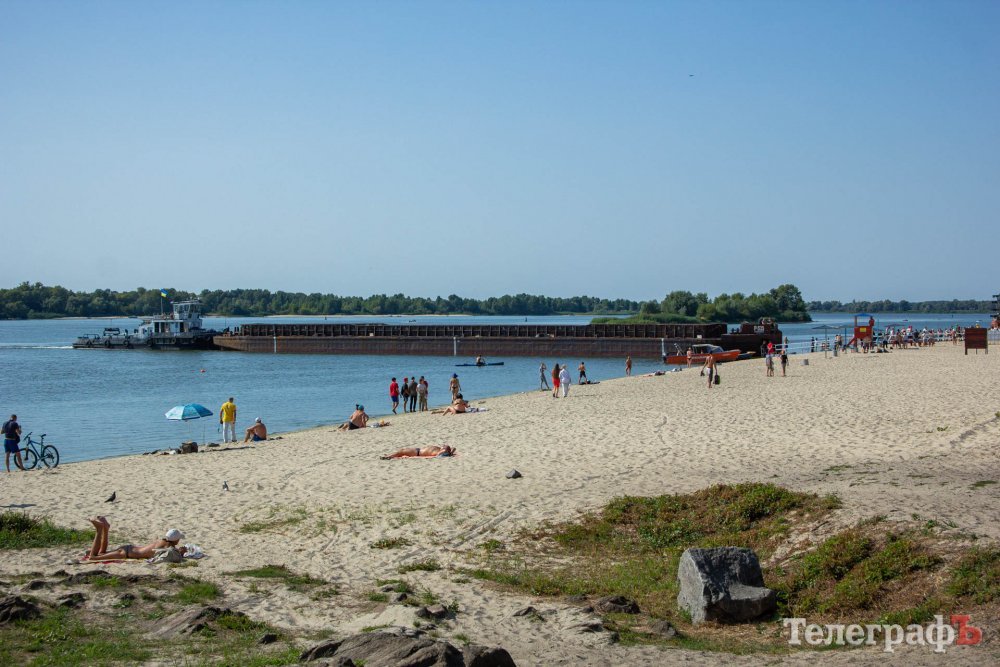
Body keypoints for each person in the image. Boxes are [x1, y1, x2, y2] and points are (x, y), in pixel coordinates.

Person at [86, 516, 186, 561]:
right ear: (175, 540)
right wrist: (180, 553)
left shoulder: (162, 541)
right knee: (93, 557)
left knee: (101, 553)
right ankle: (99, 529)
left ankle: (106, 529)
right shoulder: (168, 547)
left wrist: (179, 551)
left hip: (128, 549)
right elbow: (169, 555)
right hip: (125, 554)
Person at [380, 444, 455, 460]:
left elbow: (438, 455)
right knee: (402, 451)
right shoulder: (440, 449)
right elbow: (454, 448)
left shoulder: (441, 451)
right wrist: (451, 452)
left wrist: (449, 452)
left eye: (444, 446)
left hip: (417, 453)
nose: (443, 445)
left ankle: (389, 456)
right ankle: (391, 455)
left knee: (402, 451)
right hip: (418, 450)